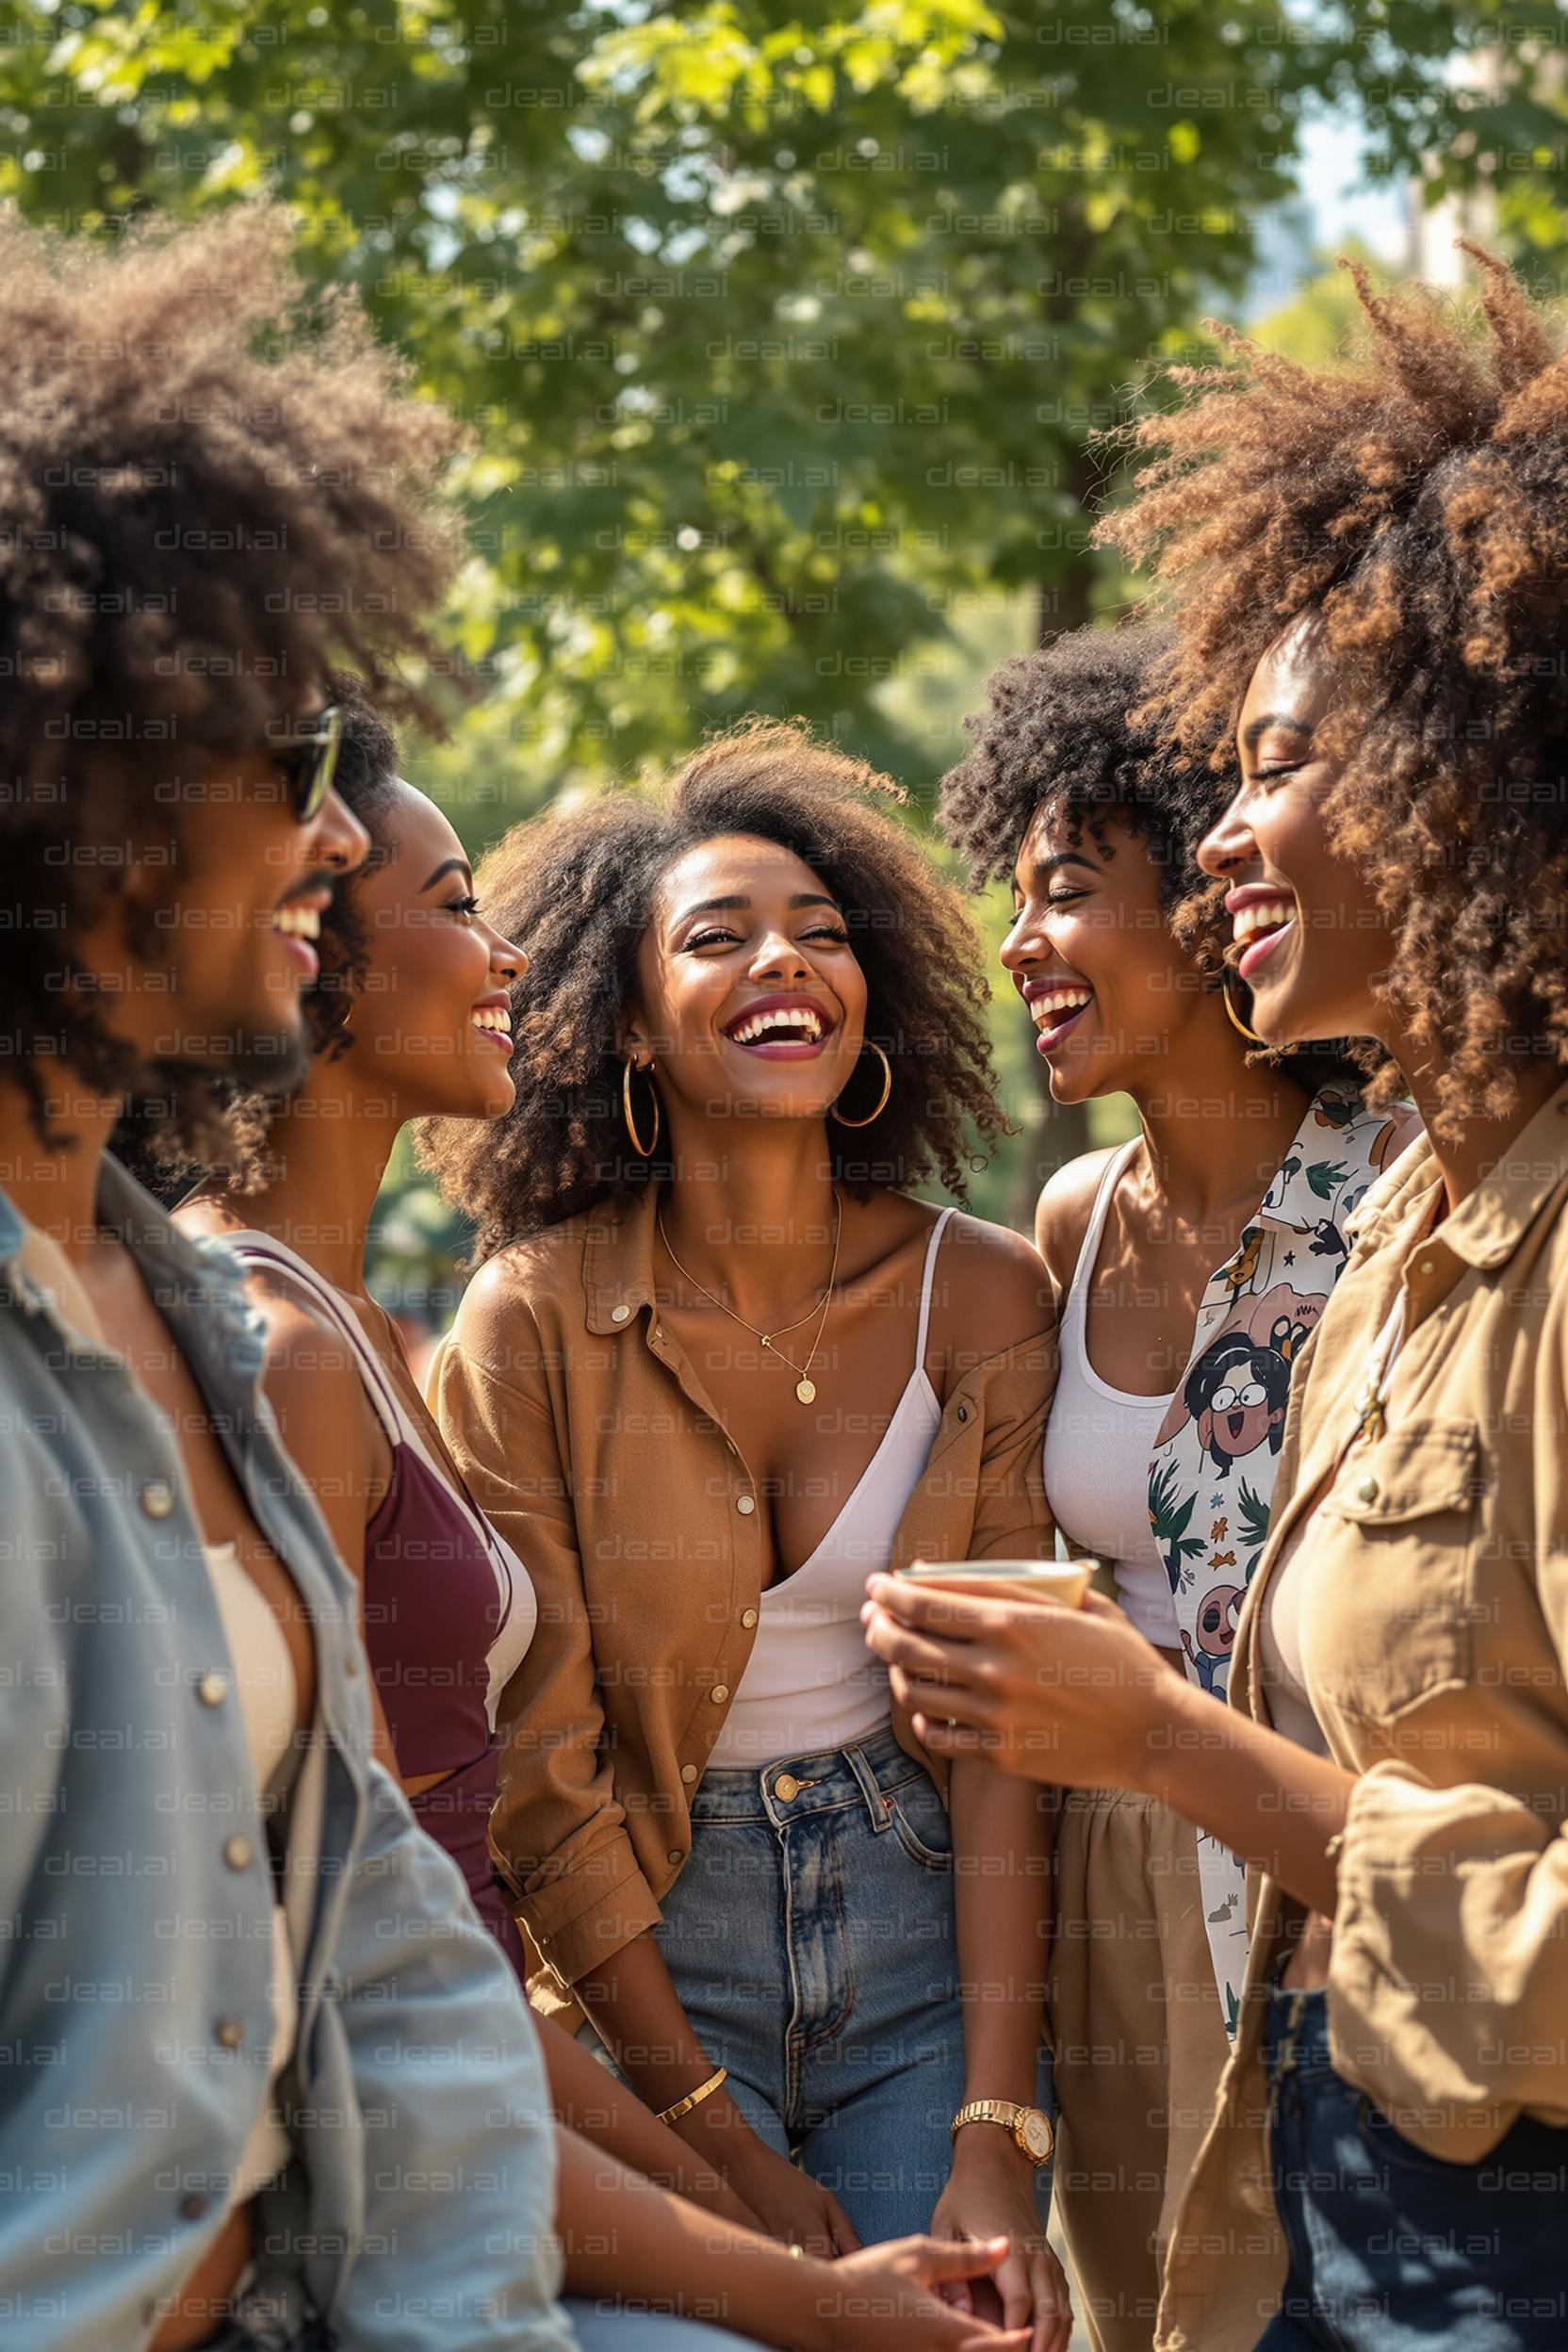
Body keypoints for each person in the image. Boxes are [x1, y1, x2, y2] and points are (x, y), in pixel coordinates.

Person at [0, 199, 1025, 2352]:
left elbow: (378, 1973)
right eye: (292, 783)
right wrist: (756, 2222)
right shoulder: (315, 1338)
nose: (331, 849)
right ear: (73, 793)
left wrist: (824, 2264)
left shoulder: (206, 1336)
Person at [865, 245, 1568, 2351]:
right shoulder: (1408, 1236)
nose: (1226, 833)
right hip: (1326, 2134)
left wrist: (1162, 1737)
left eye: (1268, 770)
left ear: (1473, 777)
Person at [421, 722, 1072, 2351]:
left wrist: (999, 2134)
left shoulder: (982, 1295)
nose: (786, 958)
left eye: (824, 932)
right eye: (717, 937)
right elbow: (543, 1771)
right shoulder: (528, 1323)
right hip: (649, 1947)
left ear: (870, 1007)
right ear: (628, 1026)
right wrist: (706, 2136)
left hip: (925, 1934)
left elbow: (1005, 1742)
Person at [160, 681, 764, 2222]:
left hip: (488, 2077)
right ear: (314, 953)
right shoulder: (275, 1350)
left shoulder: (357, 1323)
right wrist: (729, 2211)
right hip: (412, 2145)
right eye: (453, 905)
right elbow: (367, 1929)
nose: (505, 956)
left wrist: (711, 2171)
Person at [936, 625, 1413, 2351]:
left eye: (1067, 889)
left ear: (1205, 897)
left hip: (1314, 1857)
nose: (1020, 944)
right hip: (1116, 1887)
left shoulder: (1406, 1180)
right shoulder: (1070, 1217)